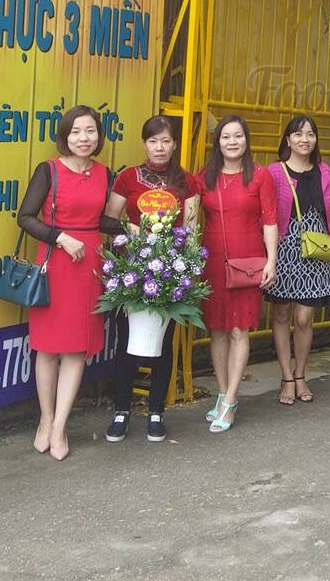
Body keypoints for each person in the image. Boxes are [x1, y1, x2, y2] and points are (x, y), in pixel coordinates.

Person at [18, 105, 122, 461]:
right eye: (76, 131)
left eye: (90, 131)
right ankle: (45, 419)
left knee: (77, 349)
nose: (83, 138)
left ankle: (60, 425)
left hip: (89, 266)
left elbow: (100, 220)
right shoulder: (48, 170)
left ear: (99, 136)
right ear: (65, 136)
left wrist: (132, 227)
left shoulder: (105, 174)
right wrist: (60, 238)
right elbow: (25, 217)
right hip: (55, 263)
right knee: (47, 348)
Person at [103, 116, 199, 444]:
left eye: (166, 141)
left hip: (169, 272)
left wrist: (186, 269)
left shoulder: (187, 182)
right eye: (153, 141)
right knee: (126, 342)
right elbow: (108, 219)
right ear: (144, 143)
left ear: (175, 144)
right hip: (131, 271)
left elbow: (190, 230)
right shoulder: (127, 178)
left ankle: (156, 411)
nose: (159, 147)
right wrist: (129, 230)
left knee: (163, 343)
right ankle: (121, 410)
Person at [196, 115, 278, 431]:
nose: (232, 142)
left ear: (246, 140)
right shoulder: (204, 177)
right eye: (226, 137)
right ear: (218, 142)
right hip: (213, 260)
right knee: (217, 329)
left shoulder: (260, 175)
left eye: (238, 136)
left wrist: (271, 261)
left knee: (238, 330)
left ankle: (231, 400)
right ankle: (221, 393)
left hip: (249, 261)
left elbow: (270, 220)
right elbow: (190, 216)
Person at [267, 115, 330, 405]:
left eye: (310, 134)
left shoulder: (324, 171)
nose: (305, 139)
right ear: (288, 140)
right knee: (281, 314)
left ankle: (300, 373)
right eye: (298, 134)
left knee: (304, 318)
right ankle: (286, 378)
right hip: (283, 247)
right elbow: (267, 214)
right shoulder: (275, 172)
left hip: (316, 248)